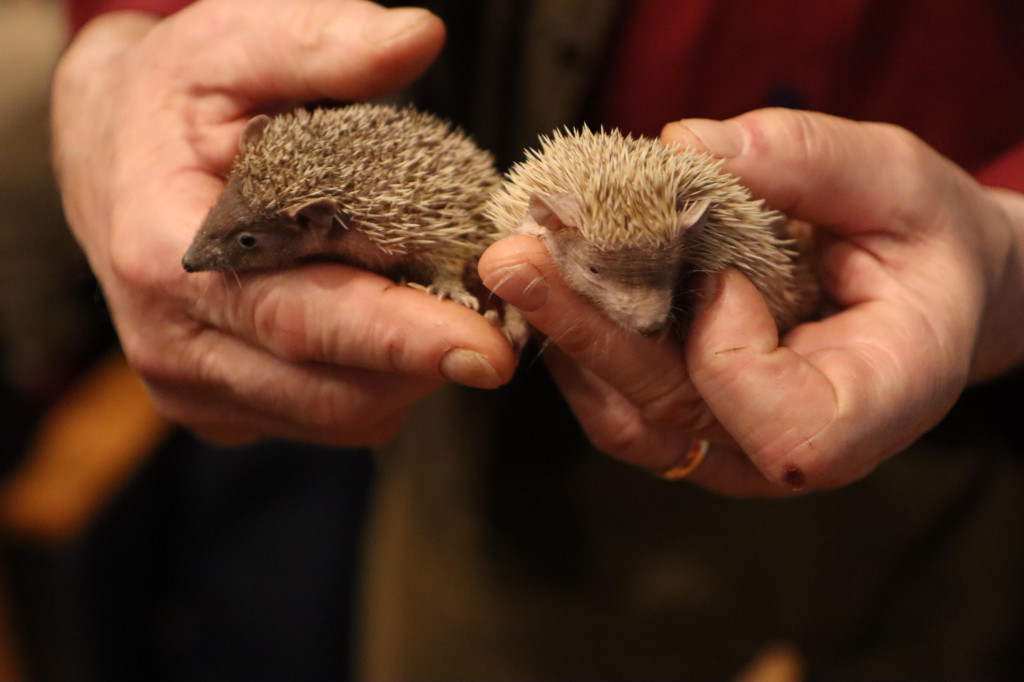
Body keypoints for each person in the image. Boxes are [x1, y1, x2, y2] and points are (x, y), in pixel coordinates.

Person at [51, 0, 1024, 678]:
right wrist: (119, 55)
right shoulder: (491, 238)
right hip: (515, 476)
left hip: (981, 443)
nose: (640, 316)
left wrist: (1011, 247)